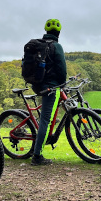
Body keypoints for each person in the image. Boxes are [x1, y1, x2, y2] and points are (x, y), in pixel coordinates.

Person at [30, 19, 67, 166]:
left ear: (46, 31)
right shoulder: (56, 46)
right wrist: (62, 83)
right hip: (50, 86)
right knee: (46, 120)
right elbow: (62, 69)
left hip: (38, 84)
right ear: (58, 33)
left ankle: (38, 145)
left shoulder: (40, 46)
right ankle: (37, 156)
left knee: (46, 117)